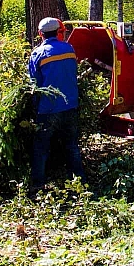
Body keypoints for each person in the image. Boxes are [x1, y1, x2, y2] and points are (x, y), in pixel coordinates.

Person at [28, 17, 86, 195]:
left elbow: (34, 85)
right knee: (71, 146)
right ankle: (80, 184)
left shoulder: (37, 54)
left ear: (40, 34)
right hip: (70, 106)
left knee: (41, 148)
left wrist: (34, 108)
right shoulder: (69, 49)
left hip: (48, 109)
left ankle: (37, 186)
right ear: (59, 32)